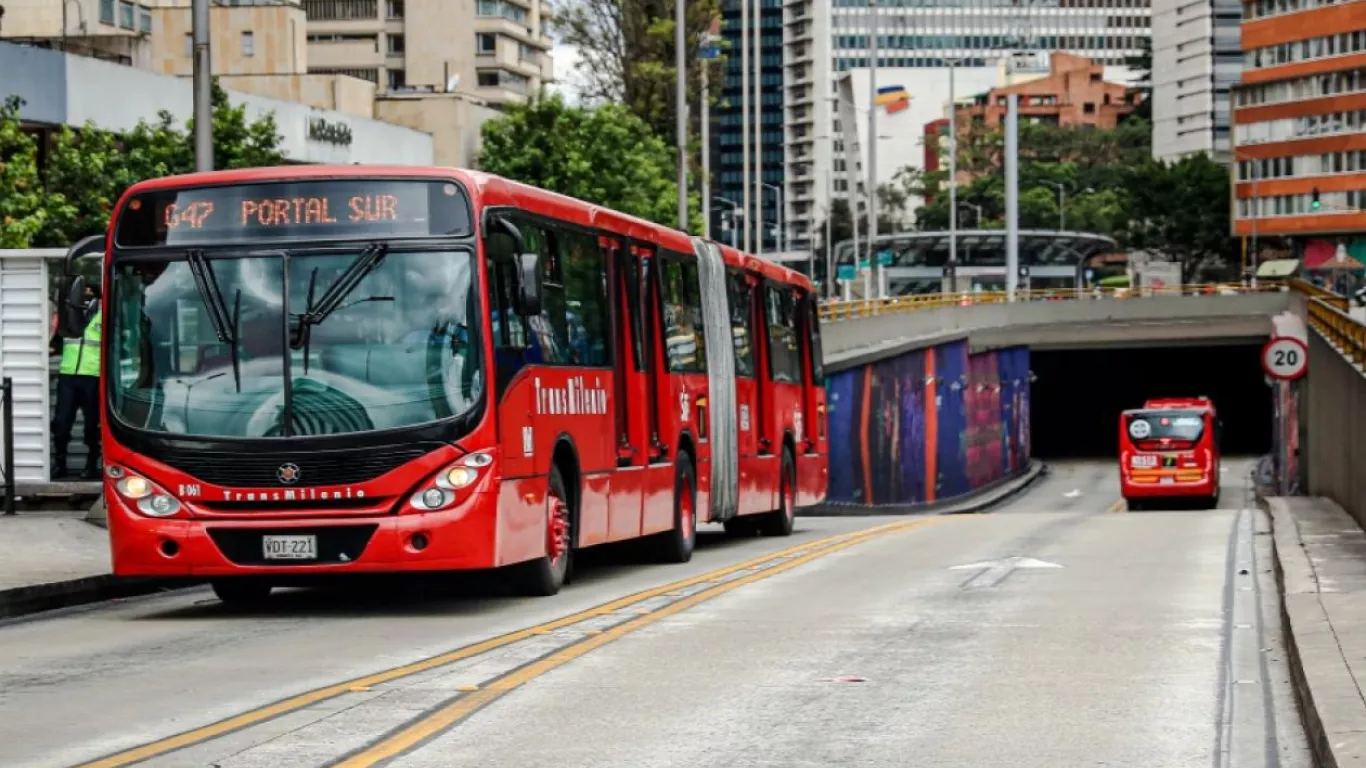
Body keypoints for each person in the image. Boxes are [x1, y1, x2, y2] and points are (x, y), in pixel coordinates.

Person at [52, 283, 101, 480]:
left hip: (93, 377)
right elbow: (54, 342)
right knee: (61, 424)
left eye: (90, 297)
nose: (86, 300)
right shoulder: (68, 315)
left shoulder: (105, 315)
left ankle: (92, 465)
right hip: (68, 376)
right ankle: (60, 464)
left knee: (93, 426)